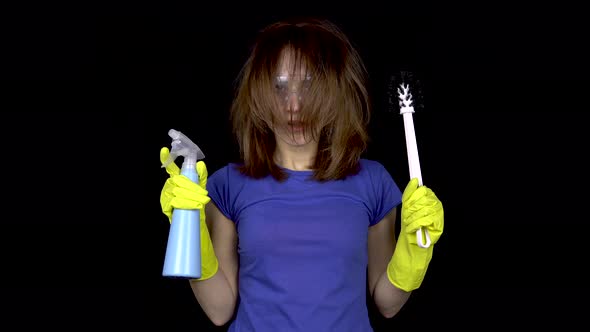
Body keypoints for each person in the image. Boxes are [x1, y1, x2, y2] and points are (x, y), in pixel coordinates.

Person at [159, 17, 444, 332]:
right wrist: (190, 230)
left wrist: (415, 254)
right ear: (258, 94)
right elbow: (219, 310)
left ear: (335, 93)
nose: (293, 106)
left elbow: (387, 305)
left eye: (309, 86)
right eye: (278, 87)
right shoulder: (228, 186)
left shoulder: (373, 183)